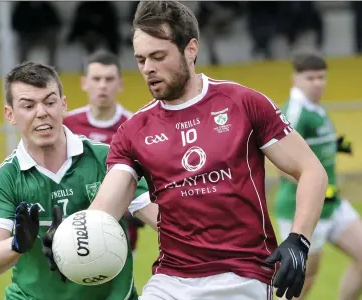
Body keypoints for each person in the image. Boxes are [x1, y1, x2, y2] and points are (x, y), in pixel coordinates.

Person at [45, 1, 328, 299]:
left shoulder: (244, 103)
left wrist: (299, 240)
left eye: (158, 56)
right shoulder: (133, 131)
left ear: (191, 49)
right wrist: (71, 237)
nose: (148, 69)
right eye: (141, 60)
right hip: (171, 280)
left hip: (243, 276)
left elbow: (311, 170)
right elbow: (105, 208)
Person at [0, 61, 158, 300]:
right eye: (28, 105)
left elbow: (162, 219)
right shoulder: (5, 179)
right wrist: (18, 243)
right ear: (10, 114)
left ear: (63, 105)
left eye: (50, 102)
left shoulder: (107, 160)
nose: (42, 112)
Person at [274, 50, 362, 300]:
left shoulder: (315, 109)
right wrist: (324, 190)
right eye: (311, 78)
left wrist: (336, 145)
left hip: (332, 203)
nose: (318, 83)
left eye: (321, 77)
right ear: (295, 80)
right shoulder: (295, 112)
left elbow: (312, 145)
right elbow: (283, 166)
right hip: (304, 207)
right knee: (304, 279)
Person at [63, 49, 146, 256]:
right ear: (84, 83)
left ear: (120, 84)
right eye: (96, 78)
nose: (102, 85)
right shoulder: (66, 126)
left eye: (109, 79)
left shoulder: (135, 126)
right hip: (73, 231)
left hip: (123, 234)